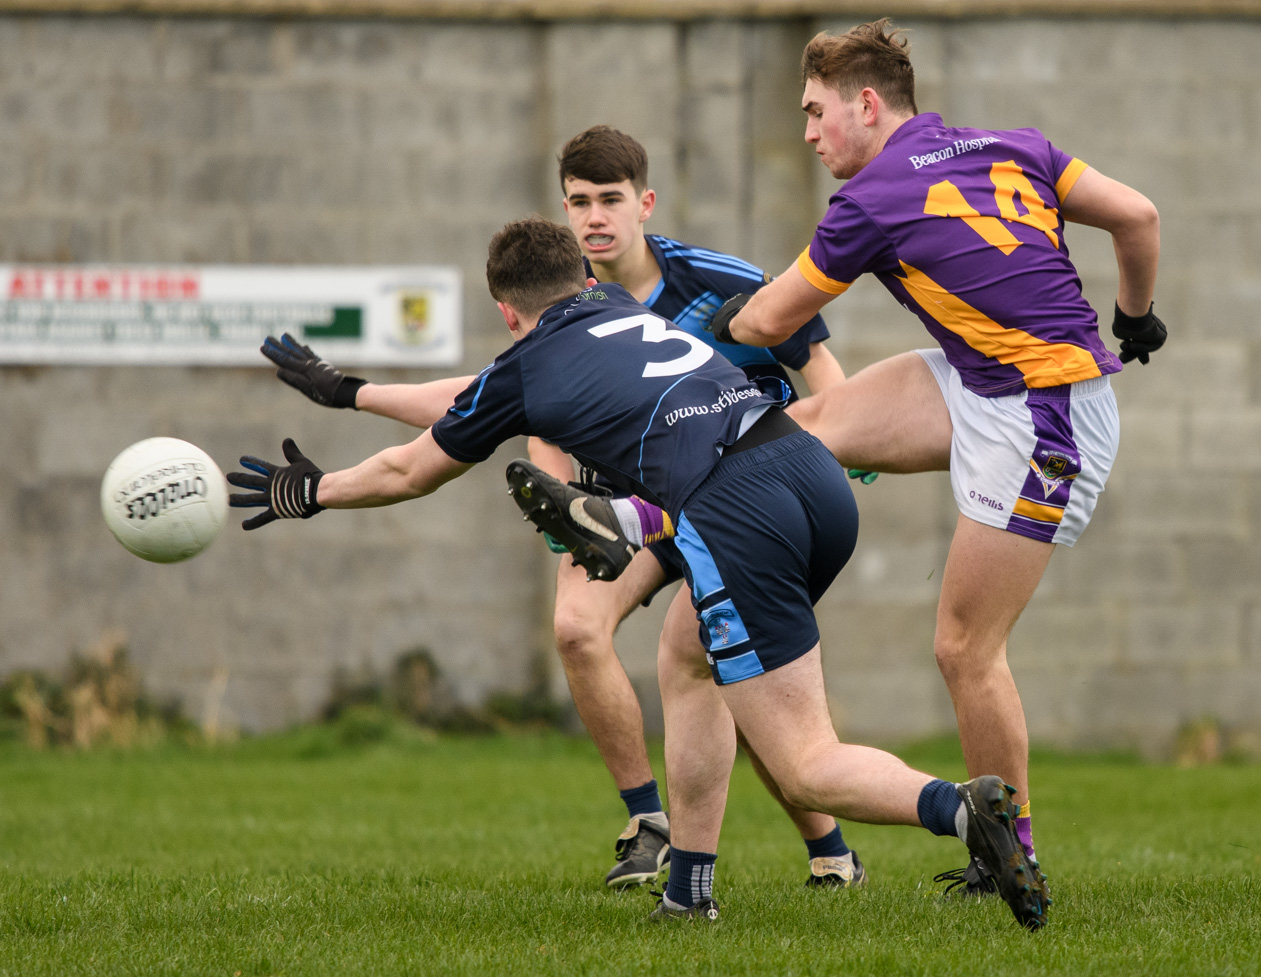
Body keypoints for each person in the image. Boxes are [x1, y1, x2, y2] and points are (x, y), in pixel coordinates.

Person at [228, 215, 1048, 929]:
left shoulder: (522, 367)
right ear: (582, 278)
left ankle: (961, 807)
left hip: (734, 510)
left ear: (508, 314)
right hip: (809, 472)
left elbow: (414, 468)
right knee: (685, 654)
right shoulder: (618, 306)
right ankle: (689, 890)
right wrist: (356, 392)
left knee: (802, 758)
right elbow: (480, 392)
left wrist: (314, 491)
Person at [519, 19, 1163, 896]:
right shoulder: (1014, 146)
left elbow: (767, 322)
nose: (811, 134)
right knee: (808, 425)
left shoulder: (869, 200)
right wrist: (1135, 314)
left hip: (1044, 419)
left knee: (964, 649)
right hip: (983, 382)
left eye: (818, 113)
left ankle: (1011, 849)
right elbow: (1137, 215)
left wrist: (709, 321)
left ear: (867, 104)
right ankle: (633, 519)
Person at [261, 125, 870, 891]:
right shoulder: (561, 289)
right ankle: (649, 822)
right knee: (580, 628)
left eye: (609, 199)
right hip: (633, 505)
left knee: (725, 671)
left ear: (644, 203)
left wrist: (846, 435)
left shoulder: (713, 278)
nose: (594, 217)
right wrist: (349, 391)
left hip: (739, 487)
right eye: (578, 202)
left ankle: (825, 848)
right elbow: (491, 398)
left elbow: (811, 358)